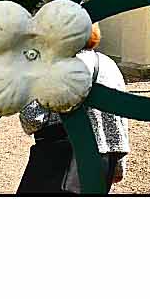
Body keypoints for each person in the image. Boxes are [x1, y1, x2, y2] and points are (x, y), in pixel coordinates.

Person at [17, 24, 130, 194]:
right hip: (104, 160)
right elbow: (118, 121)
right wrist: (119, 164)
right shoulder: (109, 64)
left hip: (60, 159)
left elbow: (32, 119)